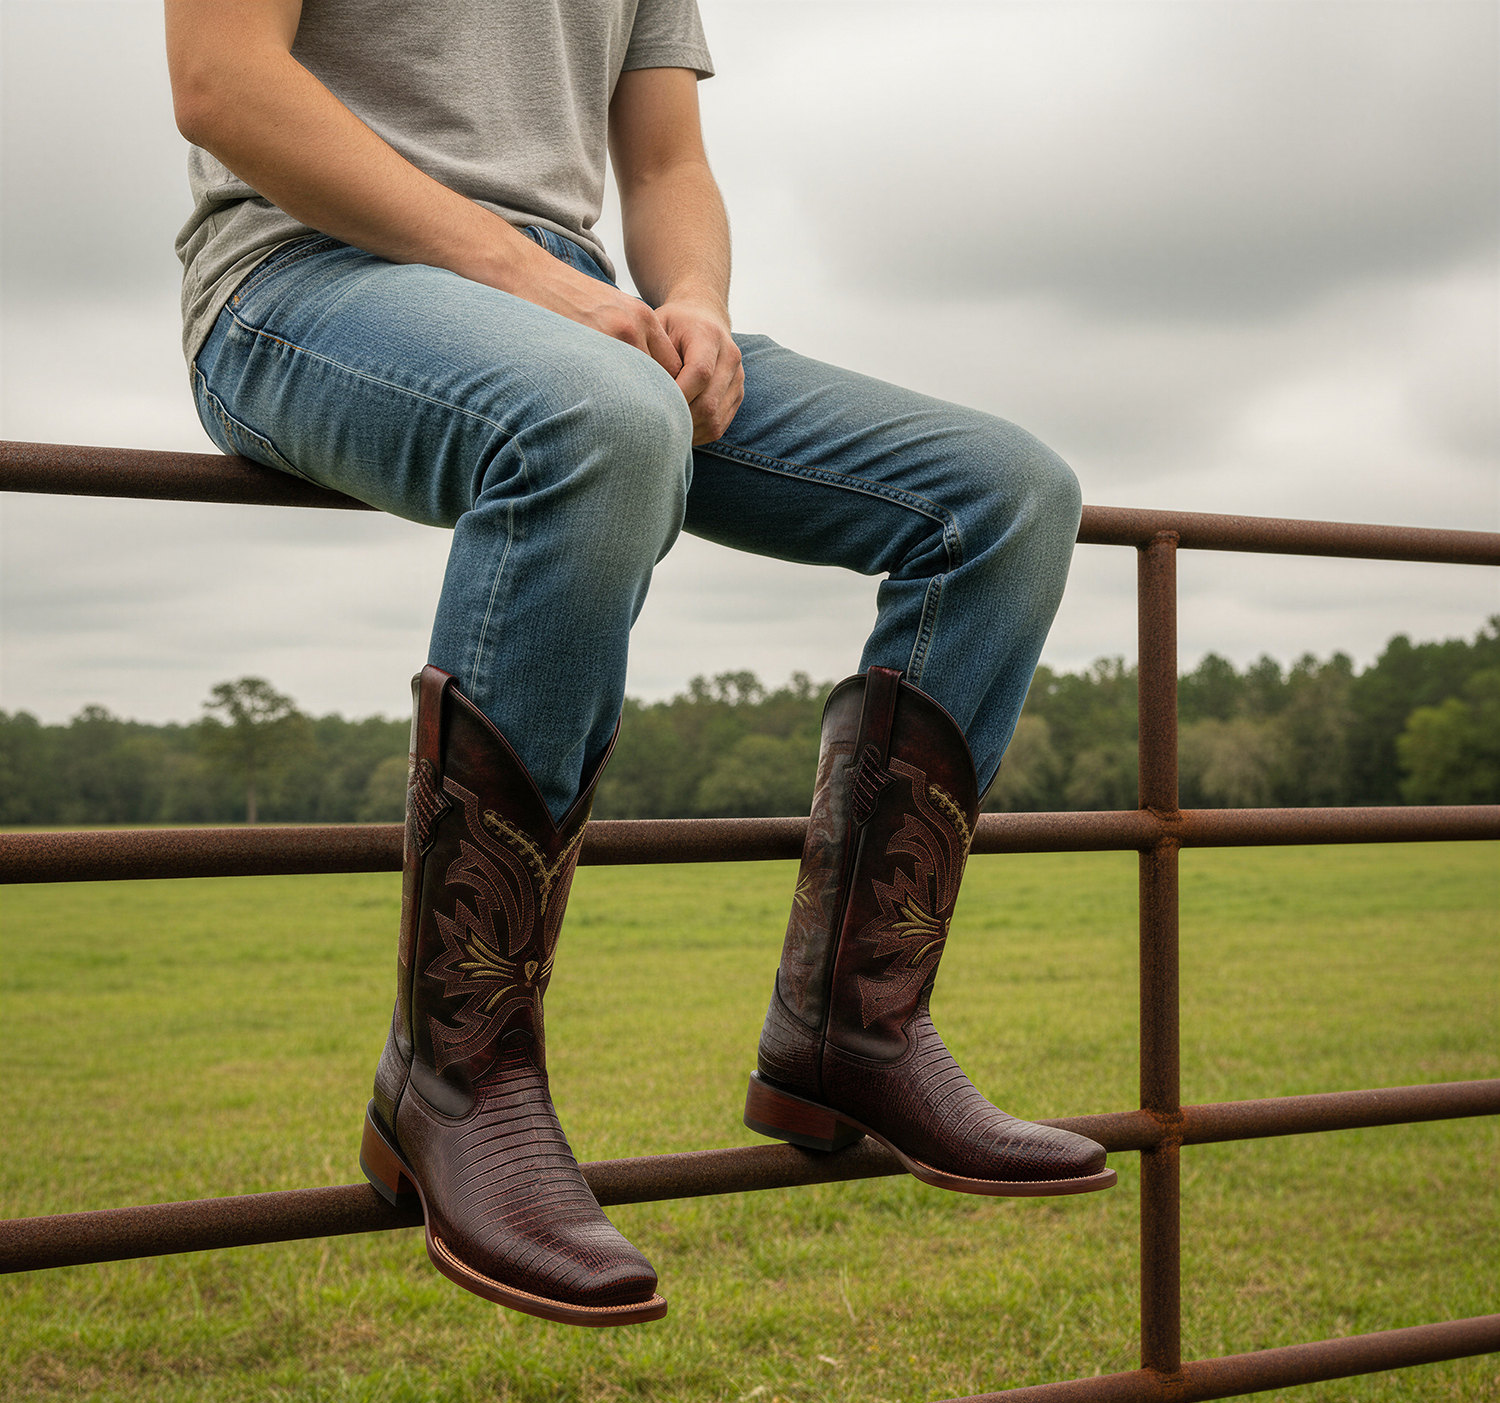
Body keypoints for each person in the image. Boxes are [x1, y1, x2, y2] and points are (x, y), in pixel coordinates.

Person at [166, 0, 1115, 1331]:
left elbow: (666, 166)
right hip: (301, 278)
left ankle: (855, 1029)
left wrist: (696, 307)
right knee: (600, 420)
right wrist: (525, 282)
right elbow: (220, 84)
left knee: (1008, 495)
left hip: (580, 308)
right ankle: (457, 1078)